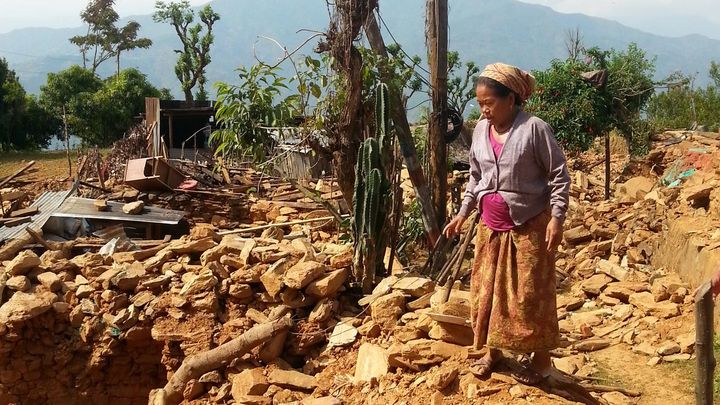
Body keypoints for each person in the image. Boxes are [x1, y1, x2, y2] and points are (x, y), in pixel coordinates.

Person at [443, 63, 570, 385]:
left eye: (489, 103)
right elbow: (476, 177)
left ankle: (541, 362)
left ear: (511, 99)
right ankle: (493, 351)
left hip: (529, 227)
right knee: (486, 293)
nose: (484, 110)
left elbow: (558, 175)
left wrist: (557, 218)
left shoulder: (534, 129)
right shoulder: (480, 131)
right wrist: (462, 213)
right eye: (480, 103)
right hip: (490, 228)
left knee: (528, 297)